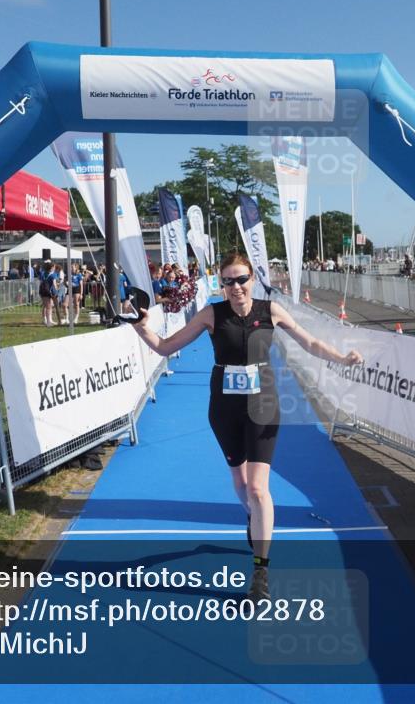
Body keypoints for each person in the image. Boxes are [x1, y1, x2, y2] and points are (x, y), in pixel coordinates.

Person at [132, 253, 363, 602]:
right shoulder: (212, 314)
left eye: (241, 279)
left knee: (257, 488)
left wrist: (342, 359)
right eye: (228, 281)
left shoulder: (269, 311)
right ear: (221, 284)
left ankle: (260, 571)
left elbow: (310, 342)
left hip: (263, 406)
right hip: (223, 409)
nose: (236, 287)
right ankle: (254, 518)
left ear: (252, 279)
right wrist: (141, 326)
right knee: (240, 484)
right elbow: (166, 346)